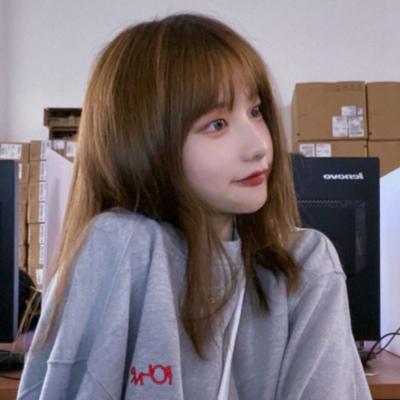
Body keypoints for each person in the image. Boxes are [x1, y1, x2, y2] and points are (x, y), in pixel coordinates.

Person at [17, 13, 371, 400]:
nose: (259, 146)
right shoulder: (121, 245)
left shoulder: (305, 263)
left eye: (255, 111)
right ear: (145, 142)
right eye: (217, 124)